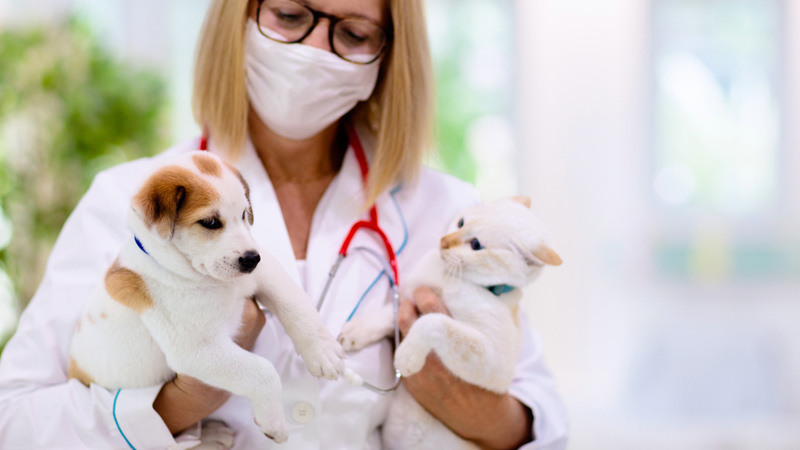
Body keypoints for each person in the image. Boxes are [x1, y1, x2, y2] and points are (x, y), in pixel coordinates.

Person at [0, 0, 568, 448]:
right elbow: (16, 420)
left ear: (390, 54)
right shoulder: (130, 204)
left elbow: (542, 424)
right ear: (241, 16)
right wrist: (184, 400)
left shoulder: (447, 210)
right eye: (290, 16)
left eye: (354, 33)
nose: (315, 51)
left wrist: (464, 403)